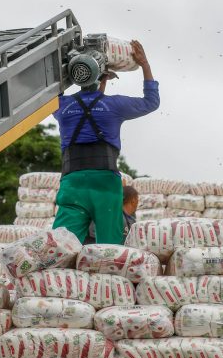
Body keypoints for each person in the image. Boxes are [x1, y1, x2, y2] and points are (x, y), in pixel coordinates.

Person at [52, 40, 158, 245]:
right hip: (105, 183)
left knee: (60, 246)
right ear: (100, 75)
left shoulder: (61, 106)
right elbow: (151, 102)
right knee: (109, 248)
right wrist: (144, 64)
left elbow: (82, 104)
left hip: (72, 182)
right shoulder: (113, 105)